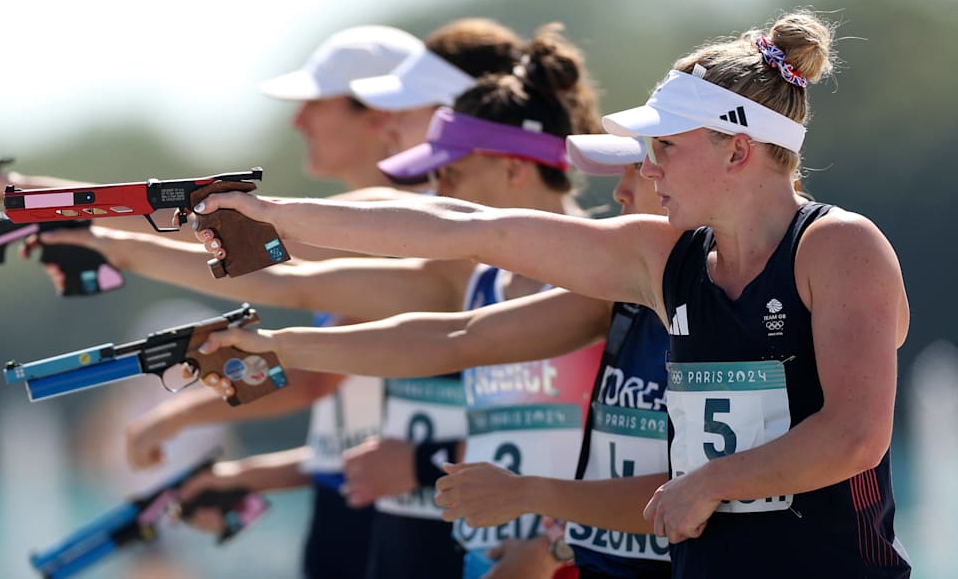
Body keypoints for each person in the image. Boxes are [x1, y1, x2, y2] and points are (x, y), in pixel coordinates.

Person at [191, 11, 912, 578]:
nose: (647, 165)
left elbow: (855, 435)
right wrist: (279, 217)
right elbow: (473, 228)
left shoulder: (840, 247)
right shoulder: (664, 256)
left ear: (737, 150)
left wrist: (709, 483)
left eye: (666, 145)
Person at [55, 23, 602, 578]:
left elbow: (644, 467)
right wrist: (104, 237)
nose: (437, 182)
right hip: (442, 539)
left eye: (449, 169)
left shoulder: (604, 276)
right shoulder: (467, 271)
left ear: (507, 161)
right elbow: (294, 285)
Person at [194, 135, 673, 579]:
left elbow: (707, 487)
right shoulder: (622, 287)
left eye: (650, 162)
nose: (620, 193)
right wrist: (282, 344)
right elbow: (457, 337)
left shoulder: (653, 274)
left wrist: (546, 532)